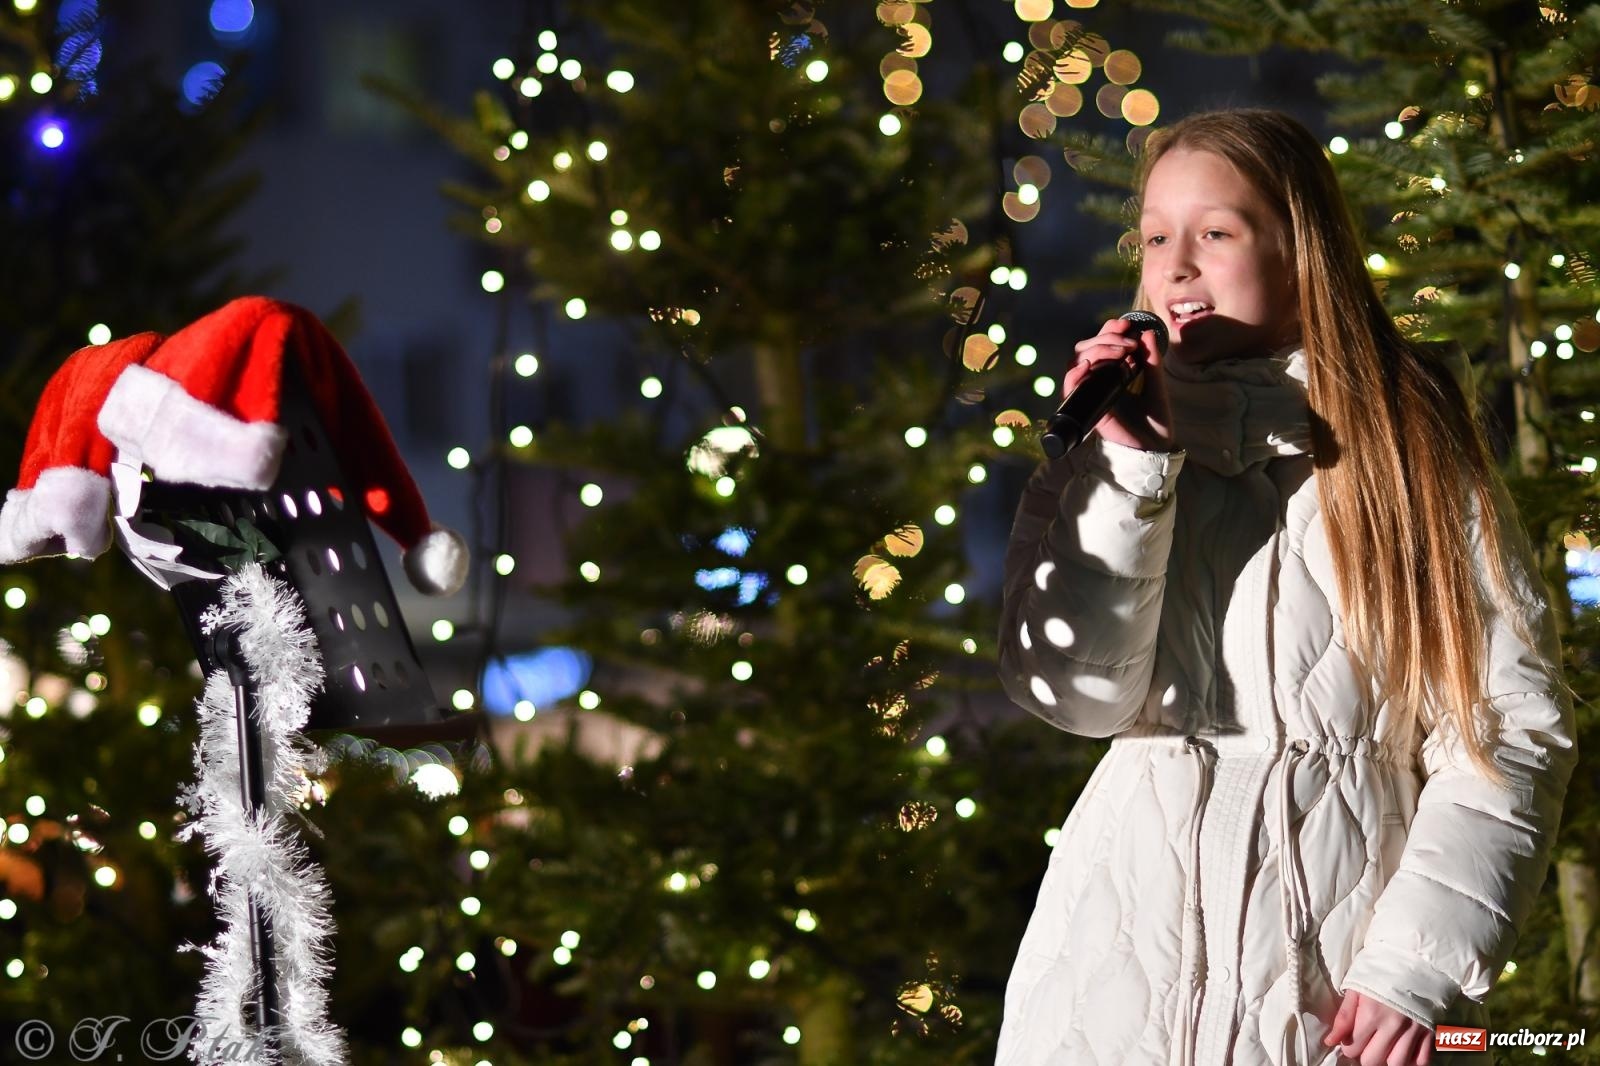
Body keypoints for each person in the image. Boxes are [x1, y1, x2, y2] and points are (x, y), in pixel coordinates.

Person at [993, 108, 1576, 1066]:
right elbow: (1080, 696)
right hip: (1112, 979)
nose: (1175, 265)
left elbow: (1507, 727)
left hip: (1330, 974)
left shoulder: (1410, 455)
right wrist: (1132, 472)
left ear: (1304, 252)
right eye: (1154, 236)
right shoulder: (1105, 450)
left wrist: (1412, 970)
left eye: (1215, 233)